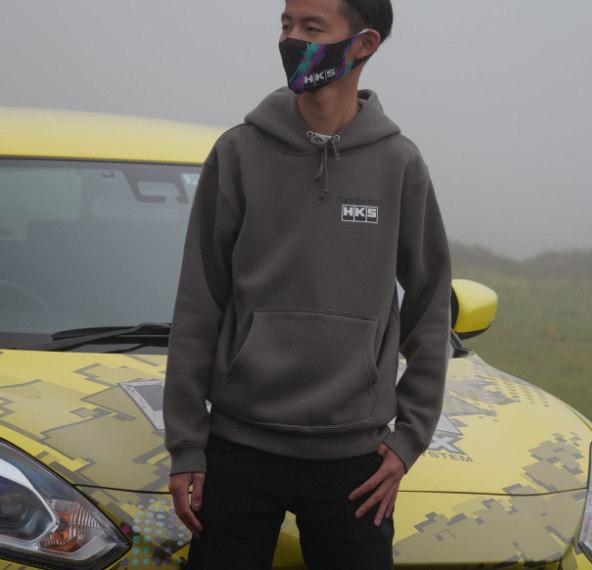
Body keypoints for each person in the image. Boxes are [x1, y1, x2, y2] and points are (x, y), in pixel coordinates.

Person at [162, 0, 452, 568]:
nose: (291, 39)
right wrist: (187, 443)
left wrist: (409, 438)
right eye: (286, 24)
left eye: (312, 27)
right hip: (238, 452)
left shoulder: (399, 164)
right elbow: (199, 301)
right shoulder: (239, 152)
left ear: (364, 44)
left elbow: (431, 305)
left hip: (356, 462)